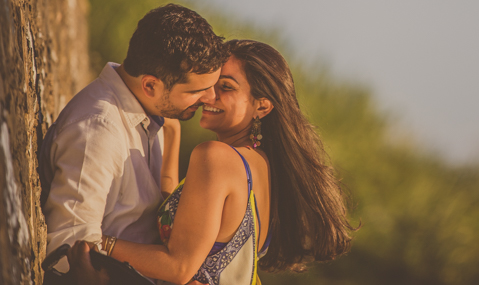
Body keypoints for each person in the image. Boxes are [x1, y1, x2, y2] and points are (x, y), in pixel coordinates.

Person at [70, 39, 354, 284]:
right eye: (210, 84)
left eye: (226, 87)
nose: (209, 95)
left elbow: (179, 268)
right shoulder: (261, 166)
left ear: (262, 106)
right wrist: (171, 132)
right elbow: (184, 223)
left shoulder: (216, 158)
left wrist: (97, 242)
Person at [39, 4, 229, 276]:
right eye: (198, 90)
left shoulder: (151, 115)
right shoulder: (99, 130)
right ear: (150, 85)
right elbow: (68, 249)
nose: (211, 98)